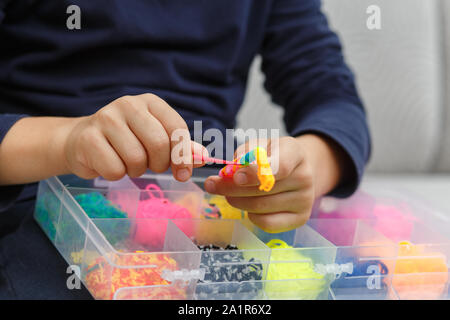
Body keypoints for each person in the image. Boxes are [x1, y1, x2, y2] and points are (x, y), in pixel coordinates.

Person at [0, 0, 370, 299]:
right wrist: (67, 141)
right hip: (42, 191)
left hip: (217, 200)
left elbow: (331, 94)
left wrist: (309, 164)